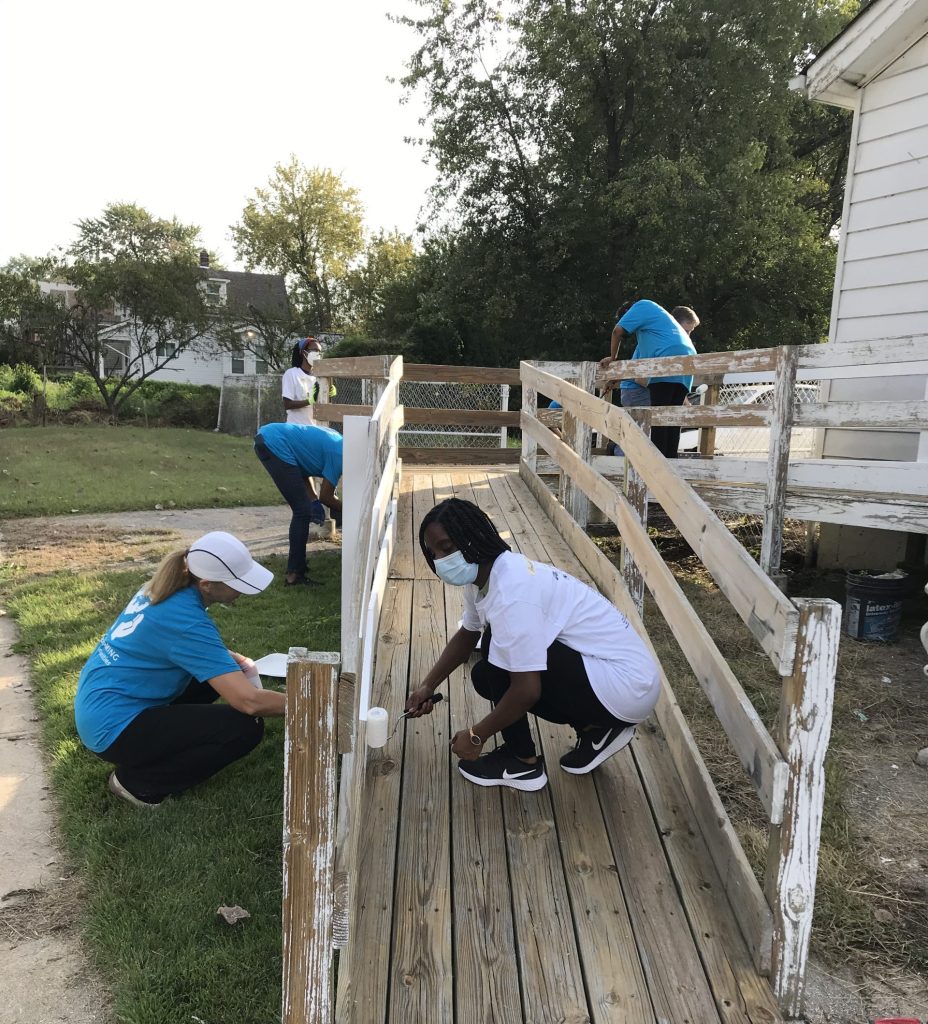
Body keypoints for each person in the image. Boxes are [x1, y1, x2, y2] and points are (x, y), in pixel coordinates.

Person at [406, 499, 660, 792]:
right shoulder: (485, 575)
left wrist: (477, 735)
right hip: (616, 676)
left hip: (627, 685)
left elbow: (527, 691)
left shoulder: (512, 592)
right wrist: (427, 685)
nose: (439, 559)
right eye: (434, 552)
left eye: (447, 547)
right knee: (485, 673)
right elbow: (467, 633)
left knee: (495, 648)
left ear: (472, 537)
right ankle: (595, 730)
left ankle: (522, 763)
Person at [74, 532, 283, 808]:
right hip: (114, 729)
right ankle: (138, 783)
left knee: (220, 674)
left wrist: (228, 658)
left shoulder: (162, 587)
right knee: (245, 727)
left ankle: (153, 750)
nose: (242, 592)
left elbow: (167, 641)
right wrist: (310, 702)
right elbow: (249, 702)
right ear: (207, 584)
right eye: (237, 585)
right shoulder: (185, 621)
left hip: (100, 707)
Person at [600, 301, 699, 458]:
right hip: (689, 359)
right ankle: (670, 467)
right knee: (673, 421)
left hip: (665, 361)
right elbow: (637, 369)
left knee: (659, 421)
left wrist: (613, 358)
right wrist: (618, 376)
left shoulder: (641, 306)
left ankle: (657, 470)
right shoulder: (660, 329)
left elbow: (617, 332)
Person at [254, 421, 344, 586]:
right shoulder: (340, 455)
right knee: (302, 511)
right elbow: (327, 496)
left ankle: (298, 566)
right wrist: (349, 511)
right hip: (274, 443)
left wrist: (313, 500)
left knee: (305, 508)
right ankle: (294, 575)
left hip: (269, 437)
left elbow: (302, 467)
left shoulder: (339, 442)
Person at [281, 337, 322, 425]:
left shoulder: (319, 377)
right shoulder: (292, 374)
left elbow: (321, 403)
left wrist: (328, 393)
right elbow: (287, 404)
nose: (318, 354)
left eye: (319, 351)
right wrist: (309, 401)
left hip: (315, 427)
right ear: (304, 352)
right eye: (315, 350)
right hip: (296, 428)